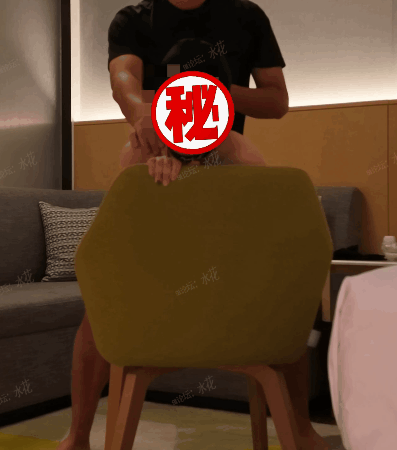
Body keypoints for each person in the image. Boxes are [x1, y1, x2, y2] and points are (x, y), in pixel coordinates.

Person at [57, 1, 330, 449]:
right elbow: (123, 81)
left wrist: (206, 94)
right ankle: (78, 435)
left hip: (218, 269)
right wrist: (149, 119)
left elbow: (276, 100)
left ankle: (300, 429)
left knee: (287, 301)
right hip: (173, 276)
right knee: (101, 312)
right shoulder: (145, 150)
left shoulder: (244, 22)